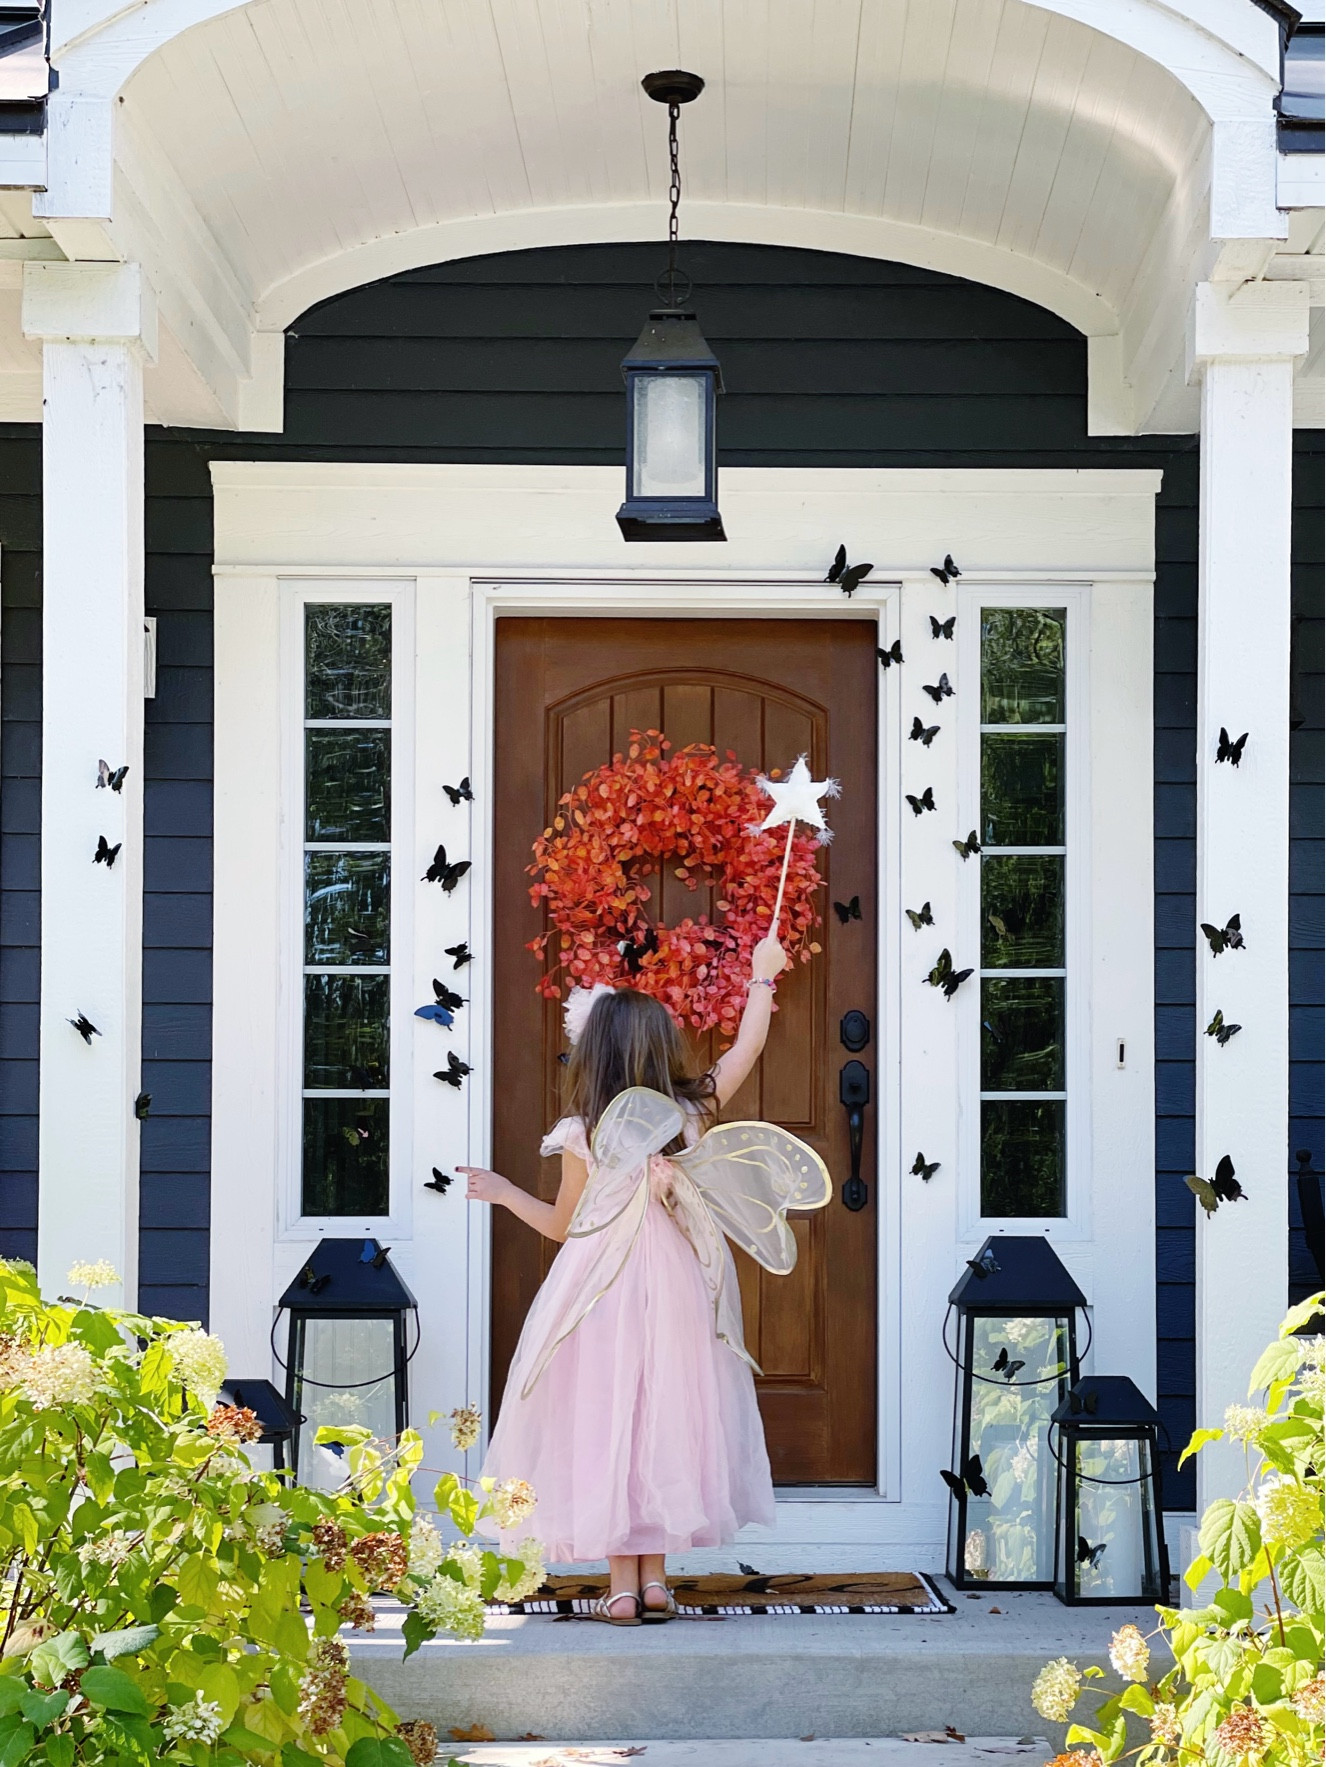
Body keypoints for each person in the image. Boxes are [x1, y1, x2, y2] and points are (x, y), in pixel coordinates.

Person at [459, 931, 822, 1626]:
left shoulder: (583, 1133)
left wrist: (506, 1192)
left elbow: (566, 1227)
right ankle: (657, 1580)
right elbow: (743, 1053)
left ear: (593, 1056)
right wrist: (761, 979)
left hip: (596, 1290)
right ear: (662, 1051)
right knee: (664, 1413)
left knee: (607, 1417)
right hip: (676, 1285)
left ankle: (621, 1585)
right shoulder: (687, 1118)